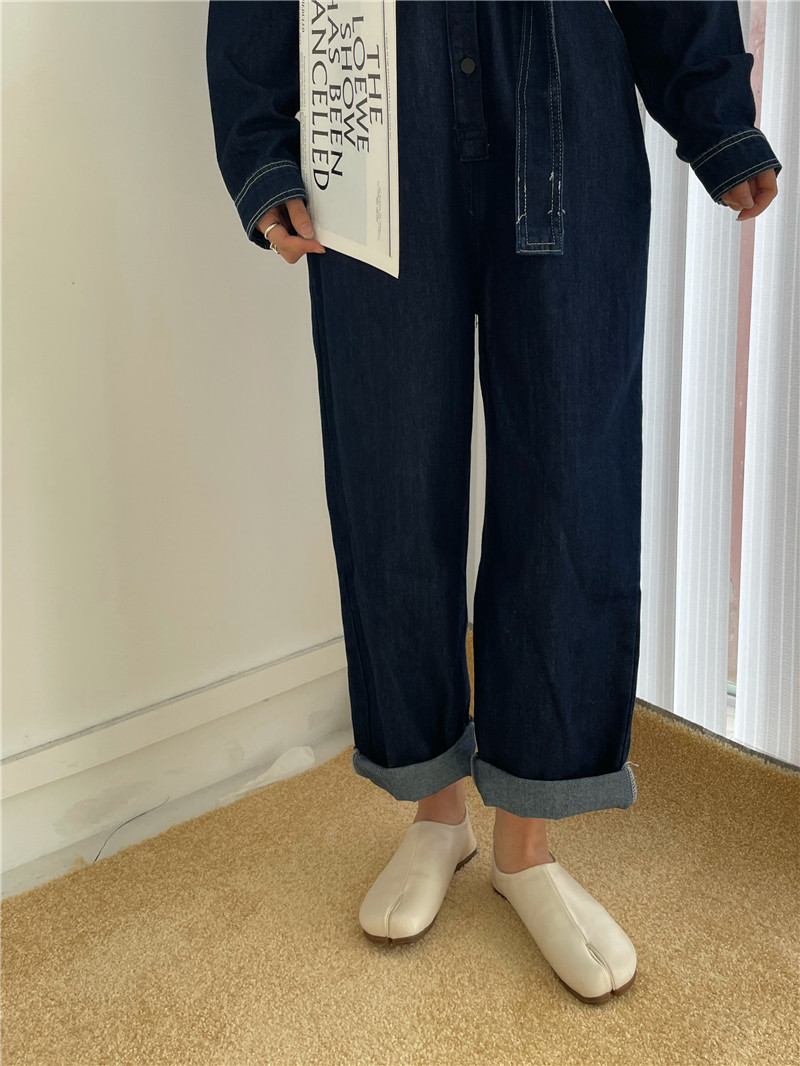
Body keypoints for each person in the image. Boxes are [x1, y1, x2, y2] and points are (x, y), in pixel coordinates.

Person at [206, 0, 781, 1004]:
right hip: (370, 109)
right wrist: (261, 148)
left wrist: (715, 115)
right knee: (388, 478)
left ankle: (526, 844)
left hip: (562, 101)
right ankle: (435, 813)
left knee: (570, 482)